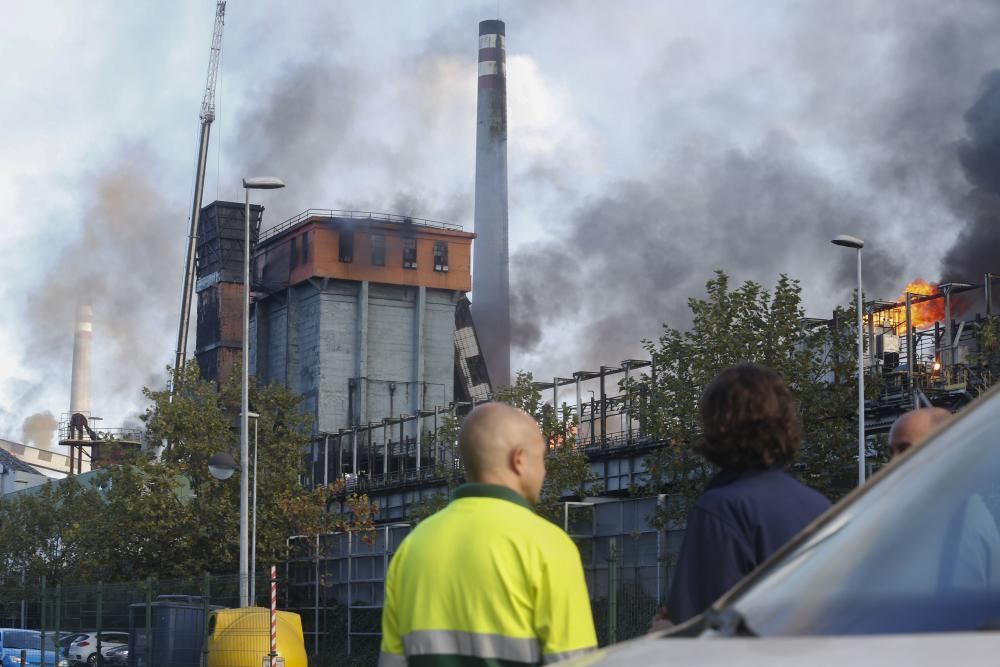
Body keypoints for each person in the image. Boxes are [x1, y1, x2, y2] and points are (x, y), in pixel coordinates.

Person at [379, 402, 597, 666]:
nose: (544, 470)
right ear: (519, 459)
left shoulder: (412, 547)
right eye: (541, 458)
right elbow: (575, 661)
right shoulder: (549, 546)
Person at [665, 363, 831, 624]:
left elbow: (700, 627)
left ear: (718, 424)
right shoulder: (820, 506)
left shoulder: (721, 508)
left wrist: (663, 634)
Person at [889, 407, 1000, 590]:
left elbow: (955, 614)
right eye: (891, 452)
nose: (893, 462)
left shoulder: (958, 525)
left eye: (905, 450)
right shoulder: (940, 516)